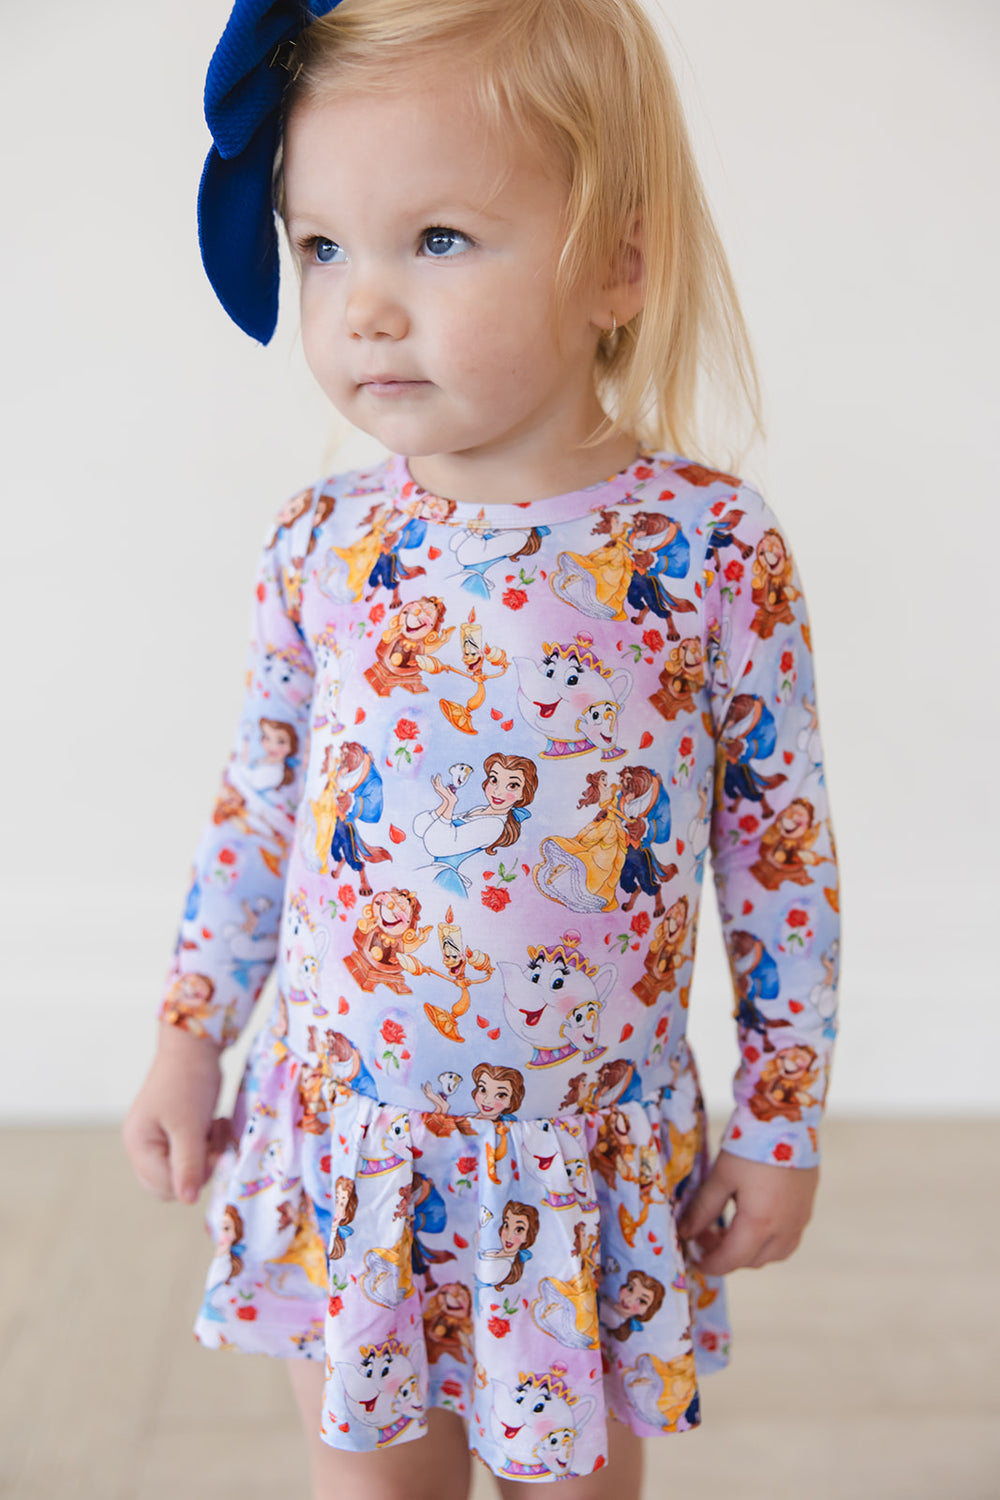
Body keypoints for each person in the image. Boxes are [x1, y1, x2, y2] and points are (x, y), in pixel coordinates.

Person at [123, 1, 840, 1496]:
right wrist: (192, 1032)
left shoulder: (706, 550)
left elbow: (778, 853)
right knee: (374, 1480)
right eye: (324, 248)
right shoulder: (324, 545)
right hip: (358, 1146)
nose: (365, 306)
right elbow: (259, 806)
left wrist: (781, 1118)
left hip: (583, 1169)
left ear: (618, 263)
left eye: (437, 240)